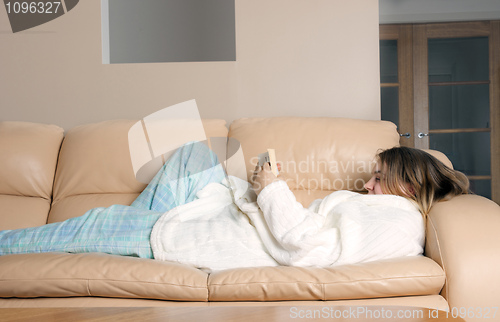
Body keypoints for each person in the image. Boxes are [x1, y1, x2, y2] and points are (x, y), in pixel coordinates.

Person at [0, 144, 469, 270]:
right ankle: (140, 230)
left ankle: (135, 235)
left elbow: (305, 245)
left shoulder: (395, 222)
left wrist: (270, 189)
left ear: (408, 186)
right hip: (239, 214)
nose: (367, 185)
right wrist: (266, 186)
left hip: (228, 237)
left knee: (94, 224)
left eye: (378, 178)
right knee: (194, 156)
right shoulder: (389, 210)